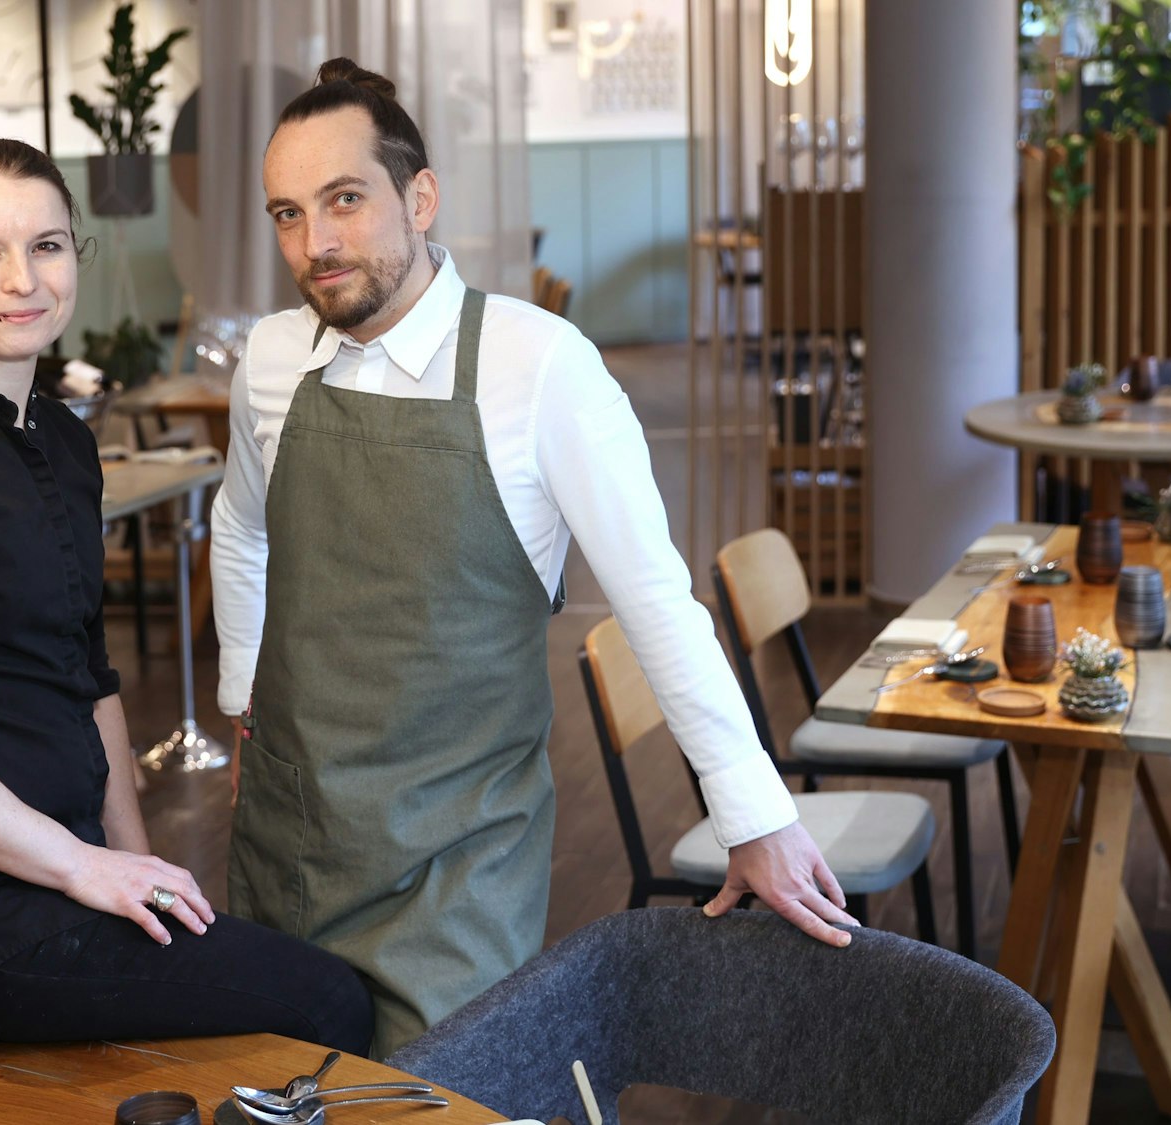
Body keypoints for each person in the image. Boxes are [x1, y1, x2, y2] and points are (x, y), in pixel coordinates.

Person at [210, 60, 855, 1056]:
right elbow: (241, 526)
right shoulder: (269, 357)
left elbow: (656, 601)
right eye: (287, 215)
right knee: (282, 1093)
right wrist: (241, 699)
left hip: (456, 861)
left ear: (420, 197)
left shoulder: (541, 365)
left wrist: (754, 816)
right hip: (290, 835)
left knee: (435, 1097)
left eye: (344, 200)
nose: (316, 243)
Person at [0, 137, 371, 1054]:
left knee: (297, 987)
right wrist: (85, 868)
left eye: (47, 246)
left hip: (47, 878)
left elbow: (90, 681)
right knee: (324, 1006)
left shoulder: (63, 441)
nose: (21, 279)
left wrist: (135, 866)